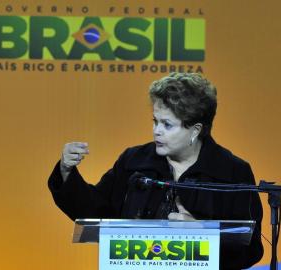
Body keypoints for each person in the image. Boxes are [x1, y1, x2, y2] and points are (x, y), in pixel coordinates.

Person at [48, 72, 263, 269]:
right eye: (155, 121)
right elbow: (97, 211)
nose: (156, 131)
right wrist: (66, 170)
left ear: (195, 130)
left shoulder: (232, 172)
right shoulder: (134, 161)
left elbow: (249, 250)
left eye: (167, 125)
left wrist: (202, 235)